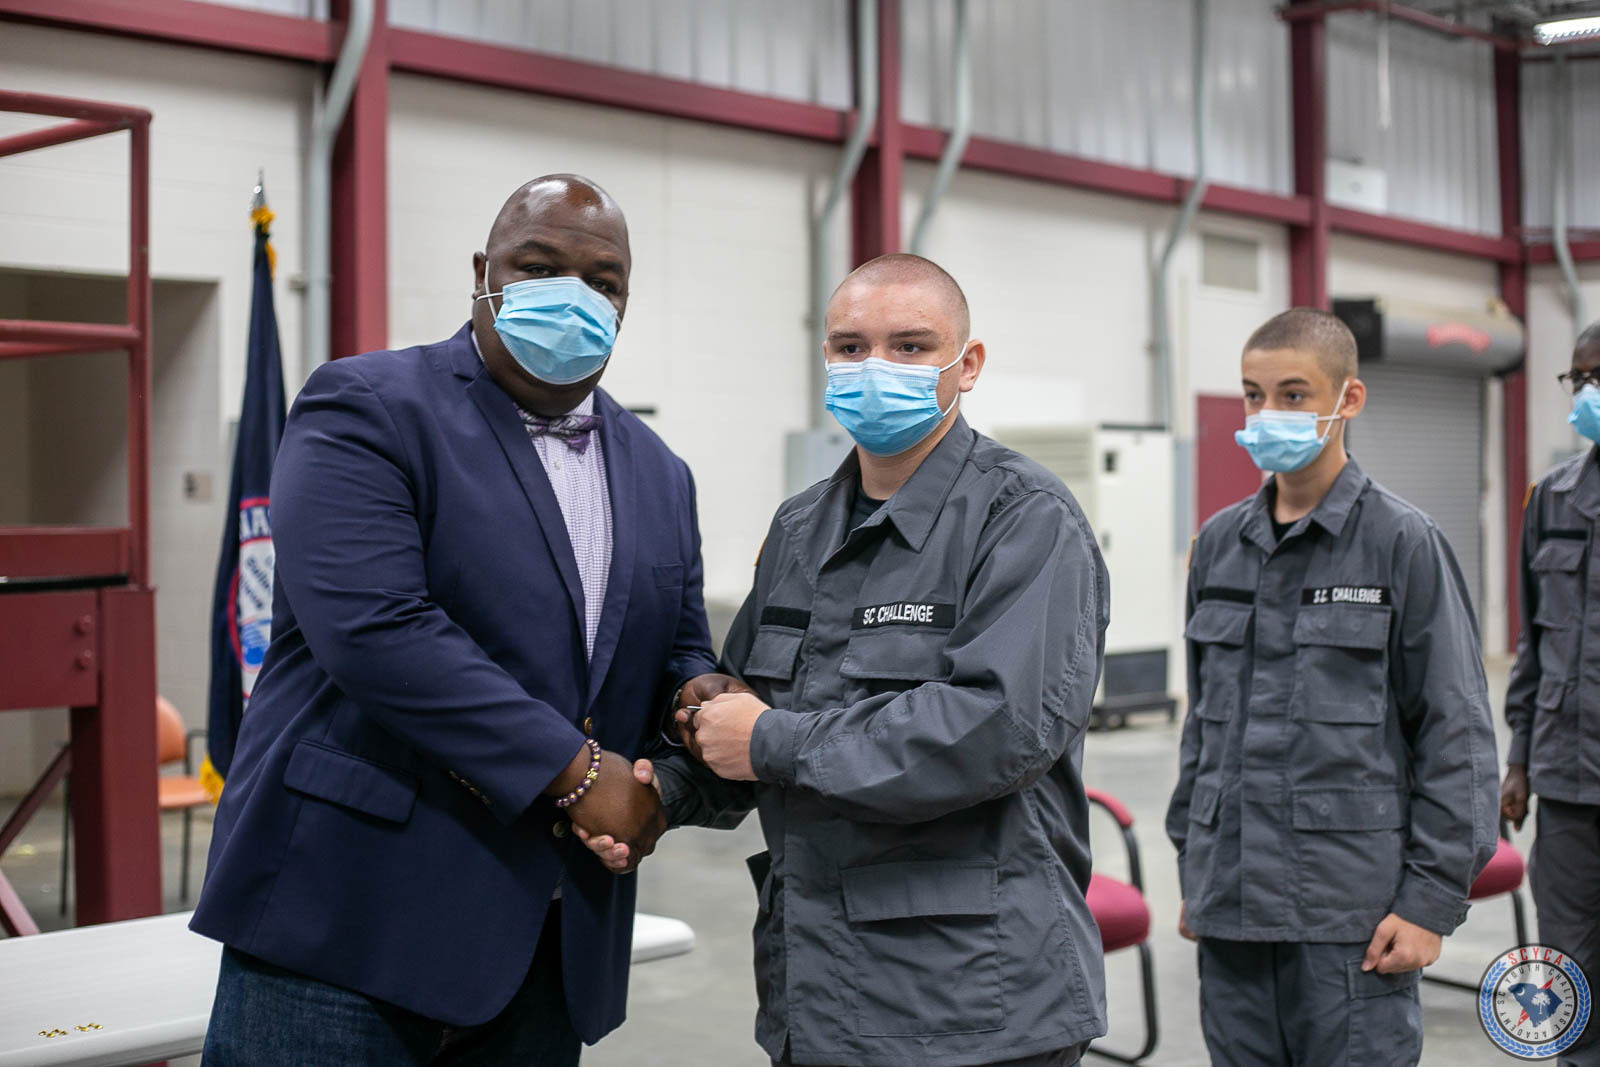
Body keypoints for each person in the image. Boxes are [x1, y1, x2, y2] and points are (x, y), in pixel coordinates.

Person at [191, 174, 745, 1065]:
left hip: (547, 948)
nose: (573, 296)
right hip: (346, 929)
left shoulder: (659, 471)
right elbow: (379, 631)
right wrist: (578, 773)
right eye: (539, 267)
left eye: (603, 281)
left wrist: (697, 695)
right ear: (483, 273)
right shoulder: (368, 407)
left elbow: (673, 643)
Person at [582, 253, 1110, 1066]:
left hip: (973, 1002)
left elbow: (995, 729)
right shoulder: (800, 528)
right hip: (818, 990)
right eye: (851, 347)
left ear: (967, 364)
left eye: (910, 346)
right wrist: (655, 795)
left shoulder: (1024, 518)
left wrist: (769, 739)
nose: (876, 367)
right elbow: (740, 716)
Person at [1166, 308, 1499, 1066]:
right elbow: (1203, 726)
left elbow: (1455, 733)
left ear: (1348, 399)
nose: (1267, 414)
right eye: (1253, 395)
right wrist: (1197, 867)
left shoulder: (1403, 542)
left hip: (1349, 914)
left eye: (1292, 394)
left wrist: (1429, 902)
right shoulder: (1218, 545)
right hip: (1230, 905)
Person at [1502, 320, 1600, 1067]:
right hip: (1567, 780)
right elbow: (1534, 646)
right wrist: (1520, 759)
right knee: (1568, 965)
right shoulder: (1554, 499)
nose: (1588, 392)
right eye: (1580, 378)